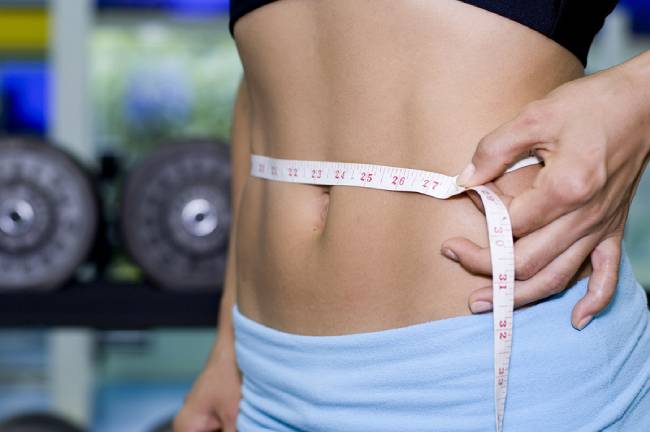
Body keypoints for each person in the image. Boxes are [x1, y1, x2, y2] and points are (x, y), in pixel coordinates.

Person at [175, 1, 650, 431]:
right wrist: (227, 346)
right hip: (266, 379)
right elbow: (268, 84)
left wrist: (635, 93)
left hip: (488, 376)